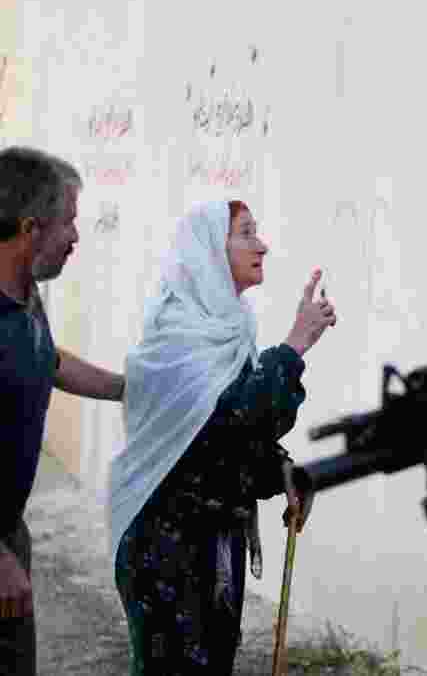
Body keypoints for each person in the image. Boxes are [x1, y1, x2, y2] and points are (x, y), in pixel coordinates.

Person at [107, 199, 335, 674]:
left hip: (212, 545)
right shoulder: (177, 338)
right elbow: (227, 425)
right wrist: (293, 347)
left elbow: (236, 439)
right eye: (247, 233)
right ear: (209, 250)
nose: (263, 245)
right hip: (165, 547)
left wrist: (282, 470)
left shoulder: (231, 328)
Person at [1, 147, 125, 675]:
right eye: (68, 222)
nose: (76, 237)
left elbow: (47, 360)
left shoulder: (26, 296)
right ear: (30, 227)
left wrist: (127, 388)